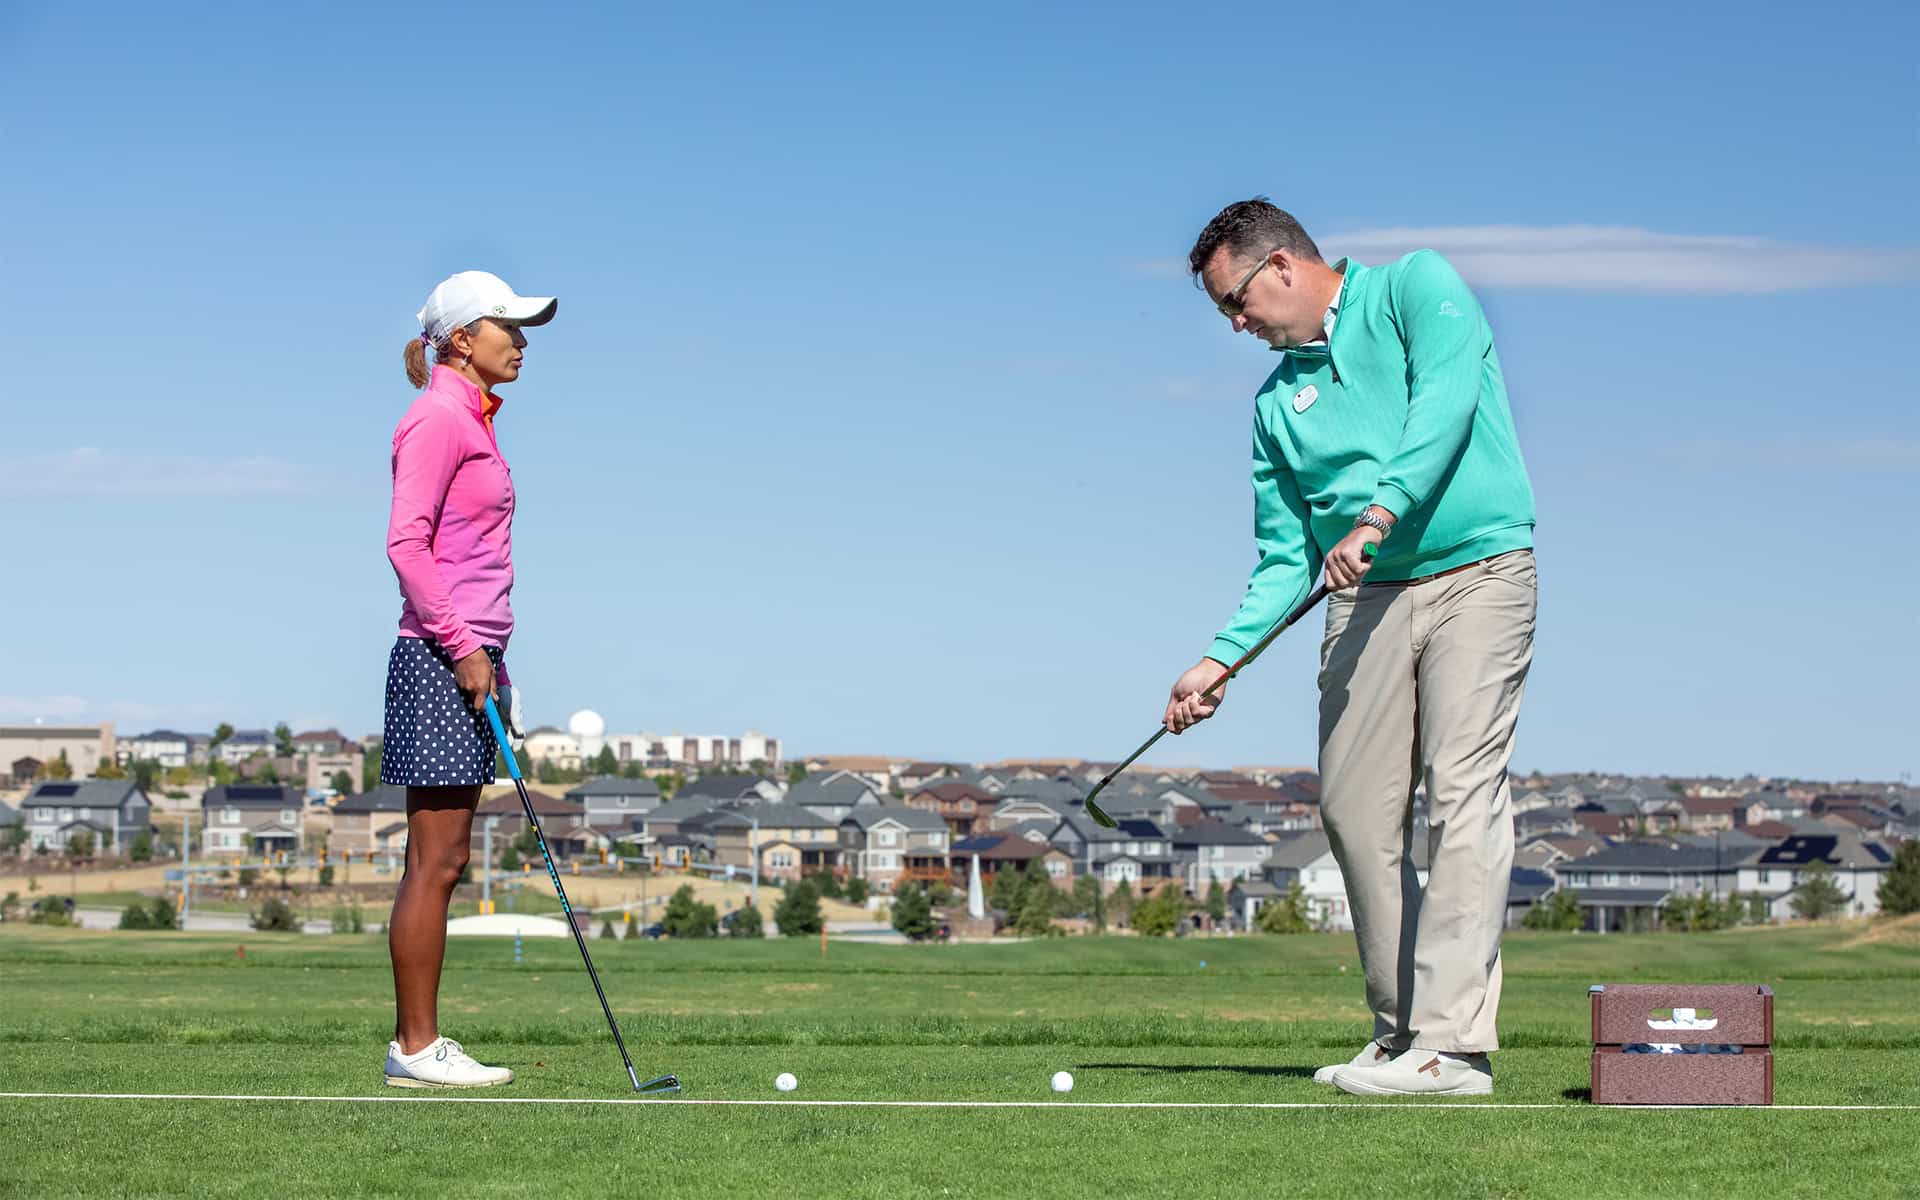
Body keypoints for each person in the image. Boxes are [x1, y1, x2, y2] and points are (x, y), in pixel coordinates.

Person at [1167, 199, 1538, 1096]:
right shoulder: (1275, 406)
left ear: (1281, 264)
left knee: (1460, 791)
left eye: (1236, 301)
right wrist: (1221, 659)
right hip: (1365, 600)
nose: (1236, 324)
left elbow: (1444, 405)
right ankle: (1402, 1030)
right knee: (1355, 811)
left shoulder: (1417, 286)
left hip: (1479, 573)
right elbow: (1285, 556)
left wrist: (1378, 514)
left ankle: (1451, 1048)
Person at [379, 270, 554, 1088]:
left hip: (473, 657)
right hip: (441, 657)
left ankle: (417, 1045)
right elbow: (405, 546)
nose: (519, 342)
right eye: (506, 328)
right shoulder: (437, 419)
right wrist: (462, 647)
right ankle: (416, 1047)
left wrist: (489, 657)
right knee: (435, 863)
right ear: (461, 339)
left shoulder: (473, 420)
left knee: (445, 861)